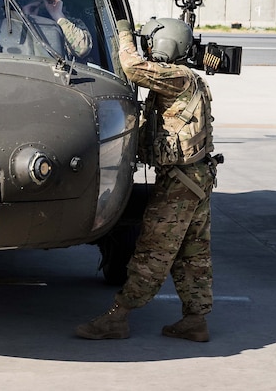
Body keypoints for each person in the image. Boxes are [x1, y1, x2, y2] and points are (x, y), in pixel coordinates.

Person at [76, 17, 219, 343]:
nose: (150, 48)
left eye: (153, 43)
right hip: (195, 178)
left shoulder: (178, 78)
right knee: (192, 253)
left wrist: (123, 33)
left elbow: (132, 67)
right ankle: (195, 320)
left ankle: (118, 317)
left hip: (180, 183)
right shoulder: (185, 79)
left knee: (153, 251)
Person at [12, 0, 92, 60]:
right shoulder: (9, 24)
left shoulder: (69, 25)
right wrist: (27, 18)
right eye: (20, 3)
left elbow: (81, 49)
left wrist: (58, 16)